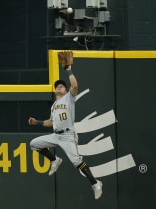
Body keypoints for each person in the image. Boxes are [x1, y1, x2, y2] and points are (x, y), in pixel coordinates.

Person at [28, 64, 103, 200]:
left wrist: (68, 69)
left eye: (62, 85)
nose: (59, 86)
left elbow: (74, 86)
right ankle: (54, 160)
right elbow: (50, 122)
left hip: (68, 135)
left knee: (76, 161)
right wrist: (37, 122)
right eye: (57, 86)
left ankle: (95, 183)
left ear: (66, 89)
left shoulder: (69, 97)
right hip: (56, 135)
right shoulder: (53, 106)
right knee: (34, 144)